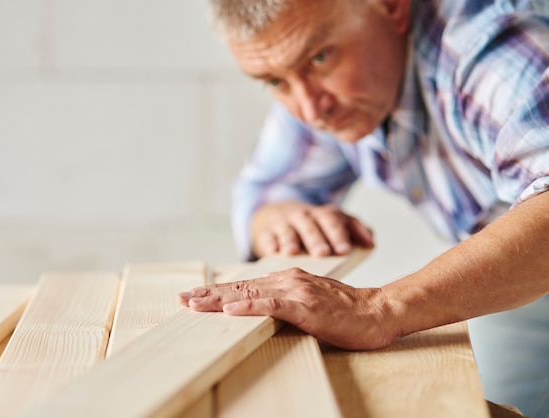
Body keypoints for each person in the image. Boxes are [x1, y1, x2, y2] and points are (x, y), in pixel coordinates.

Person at [178, 0, 549, 415]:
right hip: (524, 278)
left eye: (320, 57)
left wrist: (380, 309)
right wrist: (281, 218)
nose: (309, 109)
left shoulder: (490, 50)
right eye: (274, 82)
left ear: (391, 7)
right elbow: (268, 191)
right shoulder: (316, 90)